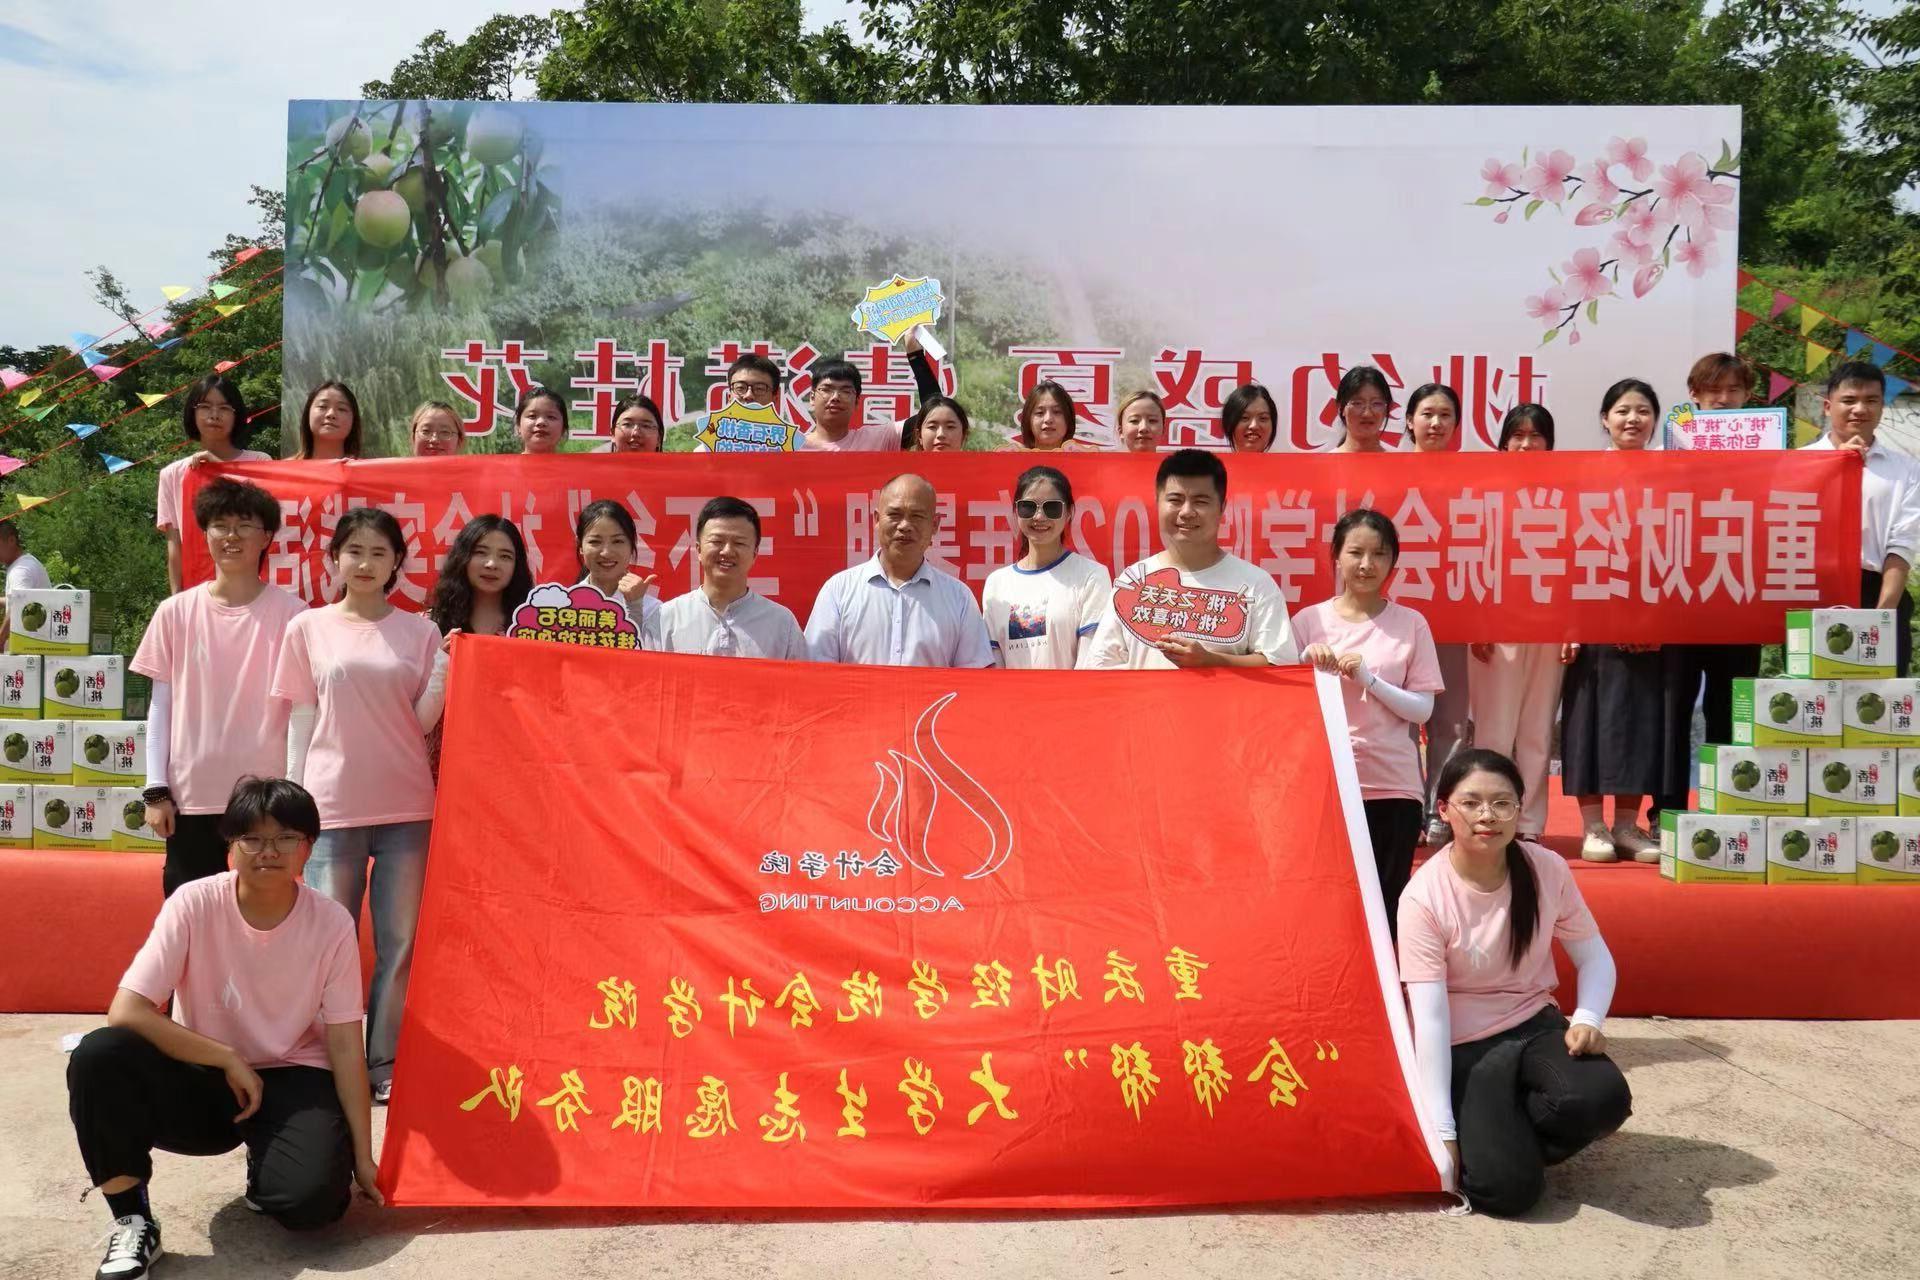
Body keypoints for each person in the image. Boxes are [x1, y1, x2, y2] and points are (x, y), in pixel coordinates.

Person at [66, 777, 381, 1280]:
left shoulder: (332, 924)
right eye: (252, 838)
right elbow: (127, 1010)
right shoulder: (193, 903)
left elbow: (345, 1045)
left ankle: (266, 1166)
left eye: (286, 838)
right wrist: (226, 1057)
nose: (269, 852)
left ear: (308, 847)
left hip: (291, 1073)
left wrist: (363, 1157)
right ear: (230, 844)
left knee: (312, 1205)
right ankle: (133, 1220)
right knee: (99, 1055)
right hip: (205, 1078)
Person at [1399, 749, 1631, 1217]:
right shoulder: (1423, 898)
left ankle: (1510, 1132)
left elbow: (1595, 958)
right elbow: (1430, 1019)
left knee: (1602, 1099)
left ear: (1520, 809)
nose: (1487, 816)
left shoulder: (1547, 868)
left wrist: (1587, 1019)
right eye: (1471, 803)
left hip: (1533, 1024)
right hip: (1465, 1046)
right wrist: (1442, 1130)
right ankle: (1497, 1142)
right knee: (1504, 1193)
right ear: (1444, 809)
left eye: (1502, 803)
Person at [272, 508, 447, 1104]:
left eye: (379, 552)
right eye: (355, 551)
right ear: (335, 559)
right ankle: (328, 1061)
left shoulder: (420, 633)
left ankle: (384, 1063)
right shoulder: (308, 627)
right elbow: (301, 716)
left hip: (407, 806)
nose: (366, 563)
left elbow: (419, 722)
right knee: (331, 941)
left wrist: (444, 671)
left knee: (399, 944)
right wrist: (293, 799)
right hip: (332, 806)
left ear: (397, 563)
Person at [132, 477, 310, 898]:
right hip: (191, 793)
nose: (232, 536)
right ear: (204, 533)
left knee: (265, 910)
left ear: (266, 537)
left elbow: (303, 711)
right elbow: (161, 706)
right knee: (191, 912)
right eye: (220, 526)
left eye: (245, 526)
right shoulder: (174, 612)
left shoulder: (295, 615)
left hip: (266, 797)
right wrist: (155, 789)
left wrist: (295, 788)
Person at [1294, 509, 1443, 924]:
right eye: (1355, 552)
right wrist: (1303, 664)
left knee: (1385, 906)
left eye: (1379, 554)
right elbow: (1287, 707)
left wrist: (1370, 680)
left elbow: (1422, 708)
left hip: (1392, 786)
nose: (1366, 564)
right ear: (1336, 557)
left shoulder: (1411, 624)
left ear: (1393, 562)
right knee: (1325, 907)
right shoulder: (1308, 621)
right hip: (1326, 783)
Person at [1653, 354, 1763, 823]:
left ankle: (1728, 809)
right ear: (1694, 394)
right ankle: (1666, 812)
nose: (1723, 399)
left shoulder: (1768, 451)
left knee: (1731, 708)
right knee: (1672, 711)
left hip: (1739, 599)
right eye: (1713, 390)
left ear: (1748, 397)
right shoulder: (1670, 450)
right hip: (1680, 598)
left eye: (1734, 390)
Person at [1560, 379, 1666, 861]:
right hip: (1592, 611)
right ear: (1605, 418)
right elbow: (1566, 551)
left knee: (1640, 718)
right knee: (1588, 719)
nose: (1633, 419)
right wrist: (1569, 624)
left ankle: (1626, 825)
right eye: (1623, 410)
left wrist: (1659, 621)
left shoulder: (1671, 474)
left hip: (1651, 615)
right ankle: (1593, 827)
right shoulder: (1584, 473)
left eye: (1643, 411)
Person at [1080, 449, 1299, 669]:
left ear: (1222, 508)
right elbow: (1100, 667)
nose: (1186, 512)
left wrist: (1212, 661)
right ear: (1158, 502)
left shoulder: (1255, 584)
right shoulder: (1133, 579)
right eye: (1175, 500)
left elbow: (1281, 665)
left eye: (1200, 501)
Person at [1469, 405, 1563, 839]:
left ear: (1550, 444)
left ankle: (1528, 823)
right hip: (1498, 627)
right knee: (1494, 729)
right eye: (1517, 436)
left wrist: (1573, 627)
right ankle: (1484, 813)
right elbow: (1469, 560)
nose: (1526, 444)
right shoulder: (1482, 492)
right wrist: (1476, 621)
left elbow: (1578, 566)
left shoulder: (1568, 495)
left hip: (1549, 627)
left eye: (1536, 436)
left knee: (1537, 730)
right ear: (1503, 443)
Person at [1801, 361, 1917, 676]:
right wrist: (1838, 463)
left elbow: (1903, 542)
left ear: (1882, 407)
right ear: (1828, 406)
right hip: (1814, 591)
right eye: (1849, 400)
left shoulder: (1907, 469)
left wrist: (1883, 615)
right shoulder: (1800, 463)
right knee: (1815, 694)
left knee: (1879, 697)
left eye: (1871, 400)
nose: (1860, 409)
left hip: (1879, 592)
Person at [805, 473, 993, 667]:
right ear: (877, 519)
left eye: (917, 516)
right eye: (895, 515)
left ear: (935, 524)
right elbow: (815, 672)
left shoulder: (959, 598)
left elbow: (973, 678)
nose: (905, 526)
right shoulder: (838, 591)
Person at [1406, 383, 1471, 844]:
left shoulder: (1469, 477)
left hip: (1452, 616)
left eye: (1445, 415)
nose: (1435, 423)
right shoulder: (1385, 473)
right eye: (1427, 413)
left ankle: (1438, 811)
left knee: (1449, 723)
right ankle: (1407, 808)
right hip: (1398, 616)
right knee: (1400, 720)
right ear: (1409, 421)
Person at [981, 466, 1112, 668]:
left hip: (1073, 690)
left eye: (1052, 508)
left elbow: (1091, 663)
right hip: (1010, 690)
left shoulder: (1092, 576)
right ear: (1016, 512)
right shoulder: (996, 583)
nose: (1039, 517)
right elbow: (994, 664)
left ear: (1069, 513)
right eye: (1028, 507)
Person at [647, 497, 807, 659]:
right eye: (717, 541)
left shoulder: (782, 623)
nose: (727, 551)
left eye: (739, 543)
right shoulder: (666, 618)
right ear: (698, 549)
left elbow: (801, 675)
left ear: (755, 553)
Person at [157, 374, 274, 594]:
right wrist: (176, 599)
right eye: (205, 407)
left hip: (254, 591)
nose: (214, 415)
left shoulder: (260, 463)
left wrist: (220, 468)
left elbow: (272, 526)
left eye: (224, 408)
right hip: (198, 592)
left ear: (236, 415)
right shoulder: (173, 474)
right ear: (192, 412)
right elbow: (175, 544)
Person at [428, 515, 533, 638]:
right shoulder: (428, 625)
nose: (492, 564)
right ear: (462, 557)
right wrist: (440, 650)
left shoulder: (534, 627)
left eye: (505, 556)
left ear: (517, 565)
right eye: (480, 552)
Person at [574, 499, 659, 633]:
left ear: (632, 545)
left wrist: (635, 608)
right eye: (595, 541)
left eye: (617, 541)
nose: (606, 553)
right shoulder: (562, 605)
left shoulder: (653, 610)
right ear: (580, 546)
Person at [802, 359, 900, 451]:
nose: (835, 397)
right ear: (812, 398)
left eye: (845, 391)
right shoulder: (795, 447)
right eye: (826, 390)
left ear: (856, 401)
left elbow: (910, 426)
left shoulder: (877, 440)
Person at [0, 516, 51, 650]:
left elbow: (19, 605)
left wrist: (1, 638)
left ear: (11, 540)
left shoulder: (20, 570)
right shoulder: (27, 563)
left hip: (29, 651)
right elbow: (22, 598)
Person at [294, 381, 363, 460]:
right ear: (308, 413)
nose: (331, 414)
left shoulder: (365, 467)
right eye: (322, 406)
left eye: (341, 409)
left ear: (354, 419)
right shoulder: (287, 467)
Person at [1333, 366, 1394, 452]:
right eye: (1357, 403)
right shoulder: (1325, 460)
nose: (1367, 413)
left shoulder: (1398, 460)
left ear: (1387, 409)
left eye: (1376, 403)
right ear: (1341, 408)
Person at [1017, 380, 1085, 452]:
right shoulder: (1013, 457)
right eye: (1040, 412)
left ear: (1069, 419)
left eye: (1056, 412)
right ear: (1028, 420)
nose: (1048, 419)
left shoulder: (1088, 457)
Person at [1220, 383, 1278, 453]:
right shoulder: (1214, 460)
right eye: (1245, 417)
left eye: (1263, 418)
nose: (1254, 426)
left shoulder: (1286, 460)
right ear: (1228, 423)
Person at [901, 395, 971, 452]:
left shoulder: (976, 465)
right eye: (932, 427)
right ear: (919, 435)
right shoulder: (904, 466)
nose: (941, 434)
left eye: (950, 427)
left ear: (964, 435)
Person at [514, 385, 569, 455]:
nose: (541, 422)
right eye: (532, 416)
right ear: (518, 425)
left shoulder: (576, 462)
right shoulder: (505, 462)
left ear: (563, 429)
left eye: (551, 417)